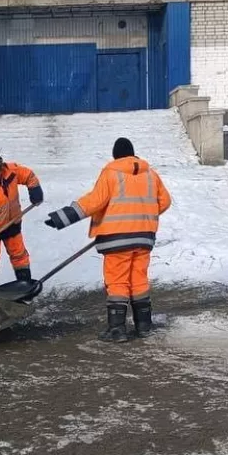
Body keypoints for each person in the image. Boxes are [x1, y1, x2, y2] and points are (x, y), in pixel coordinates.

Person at [44, 138, 171, 342]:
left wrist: (62, 217)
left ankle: (117, 330)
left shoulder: (111, 173)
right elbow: (165, 201)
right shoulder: (151, 174)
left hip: (117, 239)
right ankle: (144, 326)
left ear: (115, 155)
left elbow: (95, 201)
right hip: (144, 238)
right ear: (132, 153)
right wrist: (143, 215)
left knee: (117, 281)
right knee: (138, 279)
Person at [0, 153, 44, 286]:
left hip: (13, 224)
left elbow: (28, 175)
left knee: (19, 255)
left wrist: (35, 189)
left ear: (1, 170)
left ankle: (24, 283)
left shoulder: (12, 172)